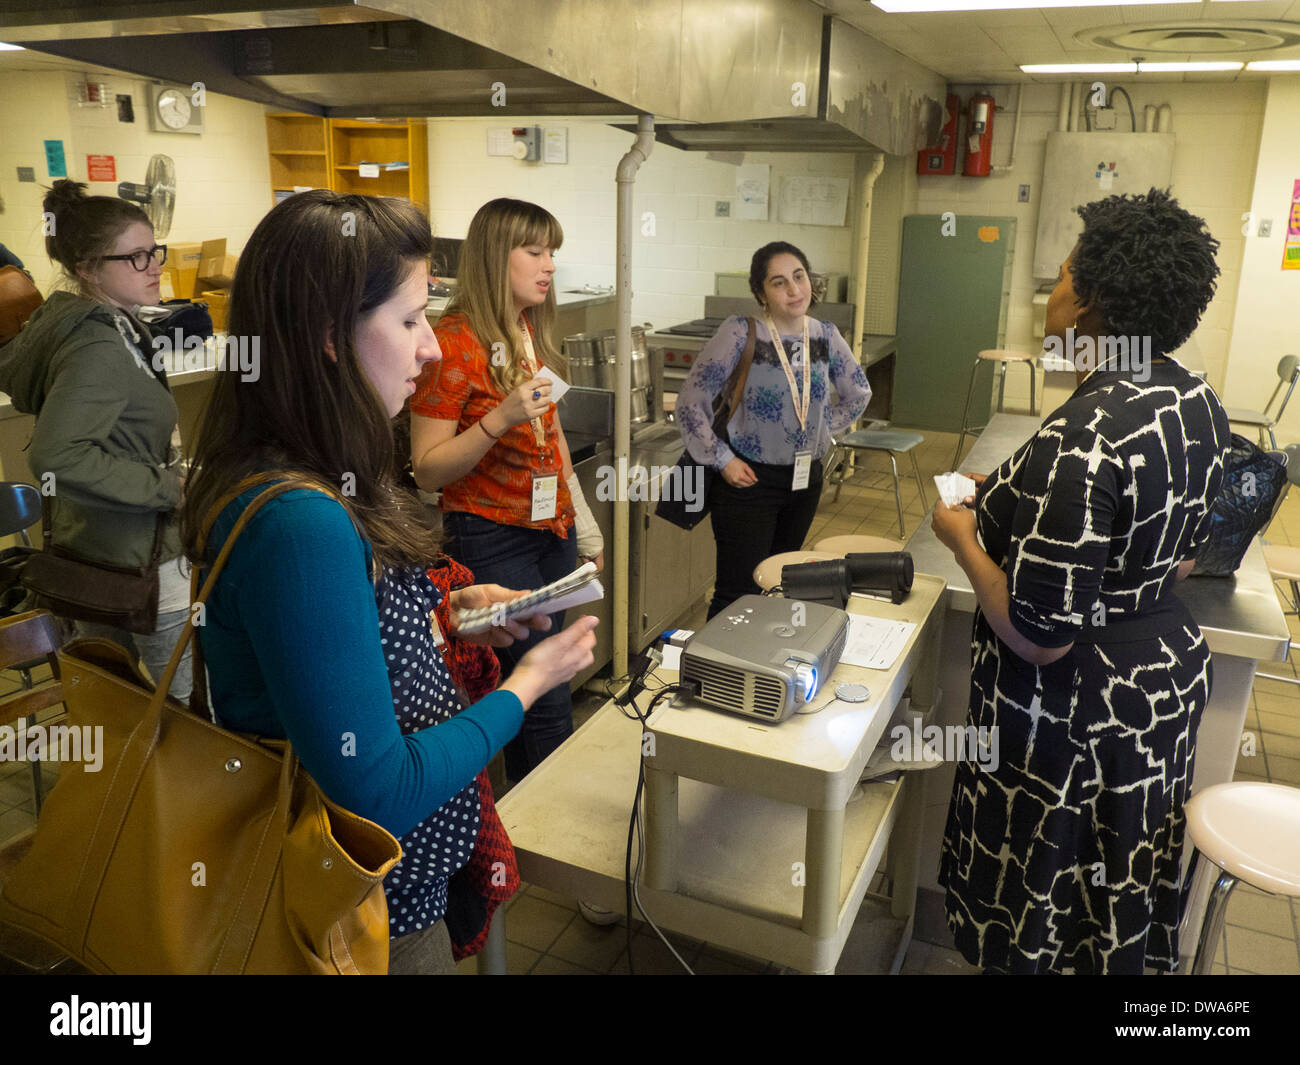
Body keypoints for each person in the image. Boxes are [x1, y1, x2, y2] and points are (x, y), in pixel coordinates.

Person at [178, 190, 598, 974]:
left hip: (399, 897)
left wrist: (450, 613)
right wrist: (527, 685)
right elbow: (376, 791)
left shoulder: (317, 473)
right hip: (365, 918)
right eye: (408, 320)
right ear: (329, 335)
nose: (430, 348)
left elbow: (346, 639)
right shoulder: (299, 520)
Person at [930, 188, 1231, 975]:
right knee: (1113, 893)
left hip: (1077, 719)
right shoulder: (1193, 397)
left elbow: (1040, 635)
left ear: (1091, 300)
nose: (1052, 294)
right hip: (1160, 694)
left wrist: (961, 537)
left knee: (1046, 899)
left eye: (1062, 275)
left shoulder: (1085, 430)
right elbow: (1182, 555)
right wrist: (1016, 491)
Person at [410, 197, 603, 781]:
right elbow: (427, 470)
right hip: (492, 538)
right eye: (535, 252)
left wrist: (583, 526)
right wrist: (499, 419)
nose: (550, 266)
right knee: (540, 696)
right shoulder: (453, 342)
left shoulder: (527, 329)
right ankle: (541, 821)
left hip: (551, 532)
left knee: (550, 681)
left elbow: (554, 438)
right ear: (497, 257)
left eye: (553, 253)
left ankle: (534, 810)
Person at [0, 180, 192, 699]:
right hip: (138, 562)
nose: (154, 266)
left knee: (110, 707)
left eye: (154, 251)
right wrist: (168, 487)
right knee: (189, 718)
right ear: (87, 268)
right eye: (134, 257)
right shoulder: (99, 344)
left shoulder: (95, 325)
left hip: (97, 554)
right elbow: (57, 456)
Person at [675, 241, 870, 619]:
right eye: (779, 283)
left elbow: (858, 392)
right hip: (748, 480)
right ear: (761, 293)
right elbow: (690, 402)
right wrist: (722, 459)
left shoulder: (825, 335)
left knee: (778, 583)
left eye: (799, 277)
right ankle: (720, 658)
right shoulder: (740, 332)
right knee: (737, 592)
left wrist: (819, 431)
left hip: (804, 481)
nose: (794, 289)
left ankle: (762, 654)